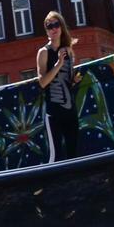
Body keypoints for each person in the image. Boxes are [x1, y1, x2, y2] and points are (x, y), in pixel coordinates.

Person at [36, 10, 83, 162]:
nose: (53, 28)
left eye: (56, 24)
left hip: (70, 110)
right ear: (47, 31)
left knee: (73, 153)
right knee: (55, 156)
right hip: (53, 113)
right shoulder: (43, 52)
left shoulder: (68, 50)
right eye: (49, 26)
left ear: (61, 27)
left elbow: (68, 79)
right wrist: (57, 65)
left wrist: (74, 80)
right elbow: (42, 82)